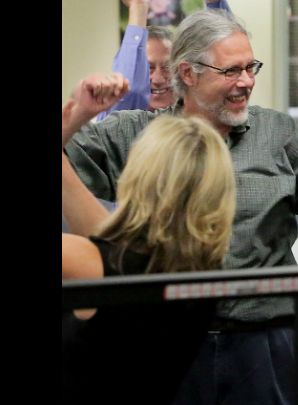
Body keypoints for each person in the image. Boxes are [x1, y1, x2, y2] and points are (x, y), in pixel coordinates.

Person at [64, 8, 298, 405]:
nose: (246, 82)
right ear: (189, 73)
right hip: (162, 341)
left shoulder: (277, 132)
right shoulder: (137, 134)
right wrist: (79, 114)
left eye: (251, 68)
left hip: (263, 340)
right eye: (231, 71)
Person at [62, 73, 236, 404]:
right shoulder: (198, 267)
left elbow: (103, 251)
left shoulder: (89, 262)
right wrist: (79, 118)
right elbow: (107, 236)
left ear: (139, 174)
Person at [97, 0, 233, 119]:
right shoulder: (115, 124)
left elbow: (226, 58)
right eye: (147, 68)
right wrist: (138, 11)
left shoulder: (198, 118)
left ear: (183, 73)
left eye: (168, 68)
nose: (158, 79)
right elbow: (128, 93)